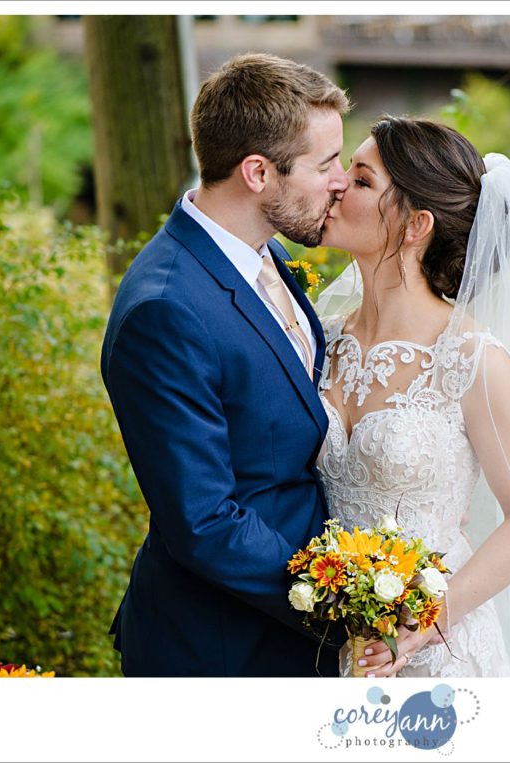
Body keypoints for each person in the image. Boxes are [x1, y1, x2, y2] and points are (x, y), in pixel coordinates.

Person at [100, 53, 350, 676]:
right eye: (325, 165)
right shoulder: (167, 309)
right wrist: (344, 602)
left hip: (286, 641)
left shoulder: (261, 254)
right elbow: (204, 519)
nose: (341, 181)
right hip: (220, 650)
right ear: (257, 172)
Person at [314, 117, 510, 677]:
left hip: (440, 653)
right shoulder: (320, 338)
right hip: (329, 638)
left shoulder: (472, 359)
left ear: (415, 223)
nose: (335, 185)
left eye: (361, 180)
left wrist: (423, 624)